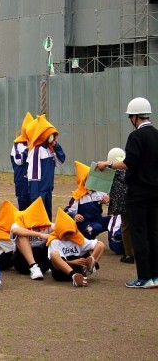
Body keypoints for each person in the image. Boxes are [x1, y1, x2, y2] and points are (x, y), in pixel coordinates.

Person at [96, 97, 158, 289]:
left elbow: (129, 162)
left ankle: (144, 277)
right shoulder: (156, 134)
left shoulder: (136, 137)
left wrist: (108, 164)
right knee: (153, 233)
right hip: (155, 192)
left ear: (134, 117)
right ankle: (155, 275)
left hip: (138, 193)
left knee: (138, 233)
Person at [47, 208, 104, 287]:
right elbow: (56, 261)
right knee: (53, 254)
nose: (68, 236)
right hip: (63, 271)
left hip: (80, 268)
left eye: (70, 233)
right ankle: (74, 275)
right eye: (65, 233)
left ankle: (89, 268)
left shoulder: (77, 238)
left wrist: (91, 258)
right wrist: (73, 262)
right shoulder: (55, 241)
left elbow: (99, 246)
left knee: (100, 244)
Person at [25, 115, 65, 219]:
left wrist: (55, 146)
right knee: (39, 218)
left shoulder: (49, 149)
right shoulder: (36, 150)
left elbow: (60, 162)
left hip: (48, 190)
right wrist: (35, 194)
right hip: (39, 191)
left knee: (48, 218)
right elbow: (33, 173)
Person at [65, 161, 110, 240]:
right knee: (96, 227)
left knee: (114, 220)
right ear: (83, 180)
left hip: (97, 220)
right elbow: (66, 212)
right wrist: (74, 216)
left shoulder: (98, 191)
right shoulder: (77, 197)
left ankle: (114, 241)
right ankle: (87, 242)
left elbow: (111, 198)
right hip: (84, 224)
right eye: (90, 178)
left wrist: (108, 199)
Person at [105, 147, 133, 263]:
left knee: (125, 226)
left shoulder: (112, 171)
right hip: (136, 199)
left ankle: (129, 255)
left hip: (123, 203)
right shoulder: (130, 169)